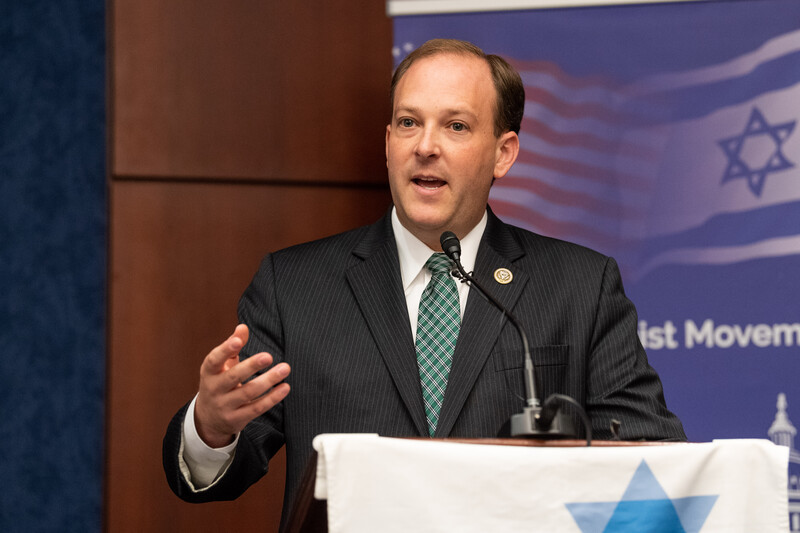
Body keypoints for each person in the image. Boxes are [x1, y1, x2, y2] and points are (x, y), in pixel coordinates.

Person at [163, 38, 686, 526]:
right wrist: (211, 425)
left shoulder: (580, 286)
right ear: (388, 143)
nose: (426, 146)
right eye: (409, 123)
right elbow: (216, 475)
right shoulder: (294, 286)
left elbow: (650, 456)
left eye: (456, 126)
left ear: (503, 152)